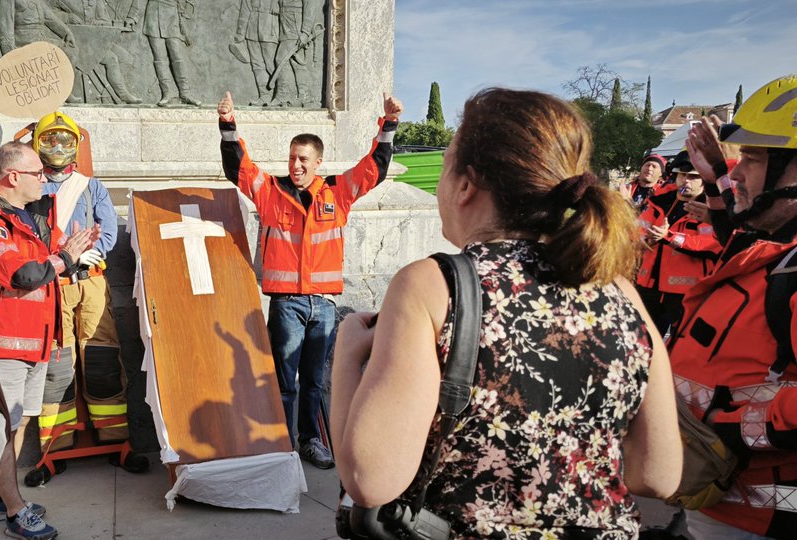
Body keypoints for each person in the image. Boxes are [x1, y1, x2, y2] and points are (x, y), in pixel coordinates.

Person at [331, 88, 683, 537]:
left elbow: (370, 480)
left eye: (444, 167)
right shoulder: (620, 291)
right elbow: (659, 474)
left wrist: (346, 357)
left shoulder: (433, 286)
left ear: (465, 185)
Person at [217, 90, 402, 469]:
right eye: (291, 158)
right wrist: (228, 124)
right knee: (285, 382)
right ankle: (283, 446)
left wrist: (389, 125)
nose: (296, 165)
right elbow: (238, 166)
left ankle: (310, 442)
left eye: (303, 159)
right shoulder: (270, 192)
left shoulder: (338, 192)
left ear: (318, 162)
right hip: (287, 304)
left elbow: (376, 168)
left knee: (314, 383)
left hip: (324, 305)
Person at [669, 74, 797, 539]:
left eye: (756, 158)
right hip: (716, 496)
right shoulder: (775, 245)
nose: (738, 172)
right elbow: (741, 237)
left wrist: (728, 427)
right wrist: (717, 178)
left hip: (758, 517)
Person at [0, 141, 98, 540]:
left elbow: (44, 264)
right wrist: (64, 259)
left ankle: (0, 497)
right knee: (4, 428)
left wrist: (74, 248)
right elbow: (22, 275)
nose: (45, 177)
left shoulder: (26, 218)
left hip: (31, 345)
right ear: (13, 177)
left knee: (14, 427)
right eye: (38, 172)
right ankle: (16, 513)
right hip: (1, 348)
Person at [23, 112, 149, 486]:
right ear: (38, 144)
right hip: (51, 284)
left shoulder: (91, 186)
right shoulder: (31, 189)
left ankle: (115, 439)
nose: (58, 148)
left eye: (65, 140)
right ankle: (55, 448)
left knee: (102, 355)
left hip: (91, 280)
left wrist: (90, 253)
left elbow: (107, 231)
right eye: (50, 140)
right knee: (57, 363)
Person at [634, 160, 722, 337]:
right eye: (682, 175)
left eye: (693, 177)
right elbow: (637, 230)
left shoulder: (710, 209)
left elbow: (710, 244)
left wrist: (669, 237)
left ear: (704, 181)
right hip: (648, 286)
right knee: (641, 342)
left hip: (684, 294)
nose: (686, 181)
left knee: (680, 343)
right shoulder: (659, 202)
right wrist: (645, 239)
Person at [127, 0, 202, 106]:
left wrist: (186, 9)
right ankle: (167, 93)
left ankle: (185, 93)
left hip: (172, 17)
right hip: (153, 16)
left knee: (177, 56)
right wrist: (132, 16)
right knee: (159, 58)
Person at [233, 0, 280, 106]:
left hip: (270, 29)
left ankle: (281, 95)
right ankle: (264, 96)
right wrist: (240, 32)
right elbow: (244, 10)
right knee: (257, 65)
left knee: (271, 65)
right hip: (252, 29)